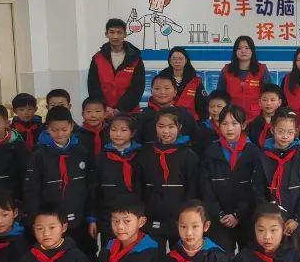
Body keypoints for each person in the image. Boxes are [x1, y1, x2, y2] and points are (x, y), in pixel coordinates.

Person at [23, 106, 96, 259]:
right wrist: (34, 219)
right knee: (53, 257)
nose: (60, 134)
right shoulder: (38, 155)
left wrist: (91, 217)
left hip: (79, 219)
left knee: (82, 255)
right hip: (51, 221)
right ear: (47, 129)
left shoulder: (81, 152)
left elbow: (91, 187)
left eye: (64, 129)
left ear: (71, 126)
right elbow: (32, 190)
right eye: (55, 130)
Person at [199, 105, 262, 253]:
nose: (229, 128)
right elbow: (205, 187)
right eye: (225, 124)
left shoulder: (253, 152)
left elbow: (256, 187)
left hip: (247, 217)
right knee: (222, 260)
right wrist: (219, 214)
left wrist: (238, 215)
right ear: (218, 125)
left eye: (234, 123)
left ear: (243, 125)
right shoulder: (211, 151)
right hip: (219, 219)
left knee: (249, 259)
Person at [254, 109, 300, 256]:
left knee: (296, 255)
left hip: (295, 220)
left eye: (290, 132)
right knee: (271, 255)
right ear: (272, 129)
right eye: (281, 131)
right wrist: (270, 215)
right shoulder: (263, 156)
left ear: (296, 132)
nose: (285, 136)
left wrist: (297, 218)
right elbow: (258, 187)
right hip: (271, 221)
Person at [138, 107, 200, 247]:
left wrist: (187, 213)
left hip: (180, 217)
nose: (166, 131)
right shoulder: (146, 154)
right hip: (152, 217)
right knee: (153, 254)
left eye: (171, 127)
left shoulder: (189, 155)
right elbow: (139, 186)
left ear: (179, 127)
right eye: (161, 126)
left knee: (179, 255)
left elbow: (193, 188)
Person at [83, 199, 161, 262]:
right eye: (115, 221)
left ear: (141, 222)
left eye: (127, 221)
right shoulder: (109, 246)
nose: (120, 227)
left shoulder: (150, 251)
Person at [149, 200, 230, 262]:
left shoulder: (217, 256)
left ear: (205, 226)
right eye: (183, 226)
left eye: (195, 226)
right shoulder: (170, 259)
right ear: (177, 226)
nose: (189, 233)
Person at [218, 204, 300, 262]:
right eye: (261, 230)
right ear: (254, 229)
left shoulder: (294, 256)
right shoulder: (245, 257)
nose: (267, 236)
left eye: (273, 230)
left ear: (283, 229)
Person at [10, 209, 90, 262]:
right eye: (40, 228)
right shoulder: (27, 259)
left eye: (52, 227)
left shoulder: (77, 258)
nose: (46, 233)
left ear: (64, 227)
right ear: (33, 229)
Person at [90, 115, 142, 245]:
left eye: (123, 130)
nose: (118, 134)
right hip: (108, 216)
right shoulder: (102, 157)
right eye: (114, 130)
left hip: (134, 215)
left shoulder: (141, 155)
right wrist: (92, 218)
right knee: (109, 248)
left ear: (132, 133)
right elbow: (94, 189)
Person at [87, 18, 146, 116]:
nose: (115, 36)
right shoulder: (97, 58)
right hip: (104, 112)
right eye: (112, 32)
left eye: (119, 32)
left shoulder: (135, 58)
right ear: (106, 34)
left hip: (129, 112)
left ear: (125, 34)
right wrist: (104, 107)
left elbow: (138, 87)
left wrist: (120, 109)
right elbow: (93, 86)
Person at [138, 74, 196, 147]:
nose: (162, 92)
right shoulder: (144, 115)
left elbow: (194, 140)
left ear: (175, 91)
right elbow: (138, 141)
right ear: (151, 91)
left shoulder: (185, 114)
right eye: (157, 88)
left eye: (167, 88)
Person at [218, 36, 269, 119]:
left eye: (247, 48)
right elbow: (220, 95)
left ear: (252, 51)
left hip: (256, 116)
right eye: (239, 48)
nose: (243, 51)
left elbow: (268, 93)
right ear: (235, 51)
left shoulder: (261, 69)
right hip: (232, 116)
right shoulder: (226, 70)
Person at [158, 46, 208, 121]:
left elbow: (202, 103)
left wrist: (201, 121)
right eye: (174, 59)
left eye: (180, 59)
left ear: (186, 60)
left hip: (189, 119)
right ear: (170, 61)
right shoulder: (162, 77)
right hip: (167, 117)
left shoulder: (194, 79)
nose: (177, 61)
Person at [245, 83, 284, 148]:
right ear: (259, 102)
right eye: (265, 100)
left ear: (279, 102)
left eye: (272, 100)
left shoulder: (284, 122)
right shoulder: (252, 124)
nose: (268, 103)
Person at [194, 89, 230, 157]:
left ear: (228, 106)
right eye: (211, 107)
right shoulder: (202, 128)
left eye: (219, 106)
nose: (215, 110)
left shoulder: (235, 127)